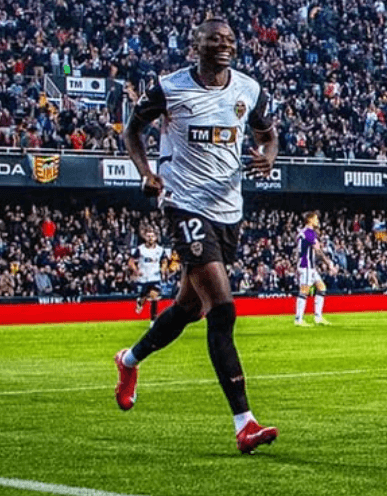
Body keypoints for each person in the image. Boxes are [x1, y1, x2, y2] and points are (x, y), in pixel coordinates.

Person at [115, 17, 279, 454]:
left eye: (228, 39)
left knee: (188, 307)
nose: (222, 44)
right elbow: (132, 130)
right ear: (196, 45)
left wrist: (267, 155)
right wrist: (146, 172)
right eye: (214, 39)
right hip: (183, 204)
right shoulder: (170, 88)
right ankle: (244, 422)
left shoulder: (247, 89)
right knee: (221, 309)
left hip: (229, 211)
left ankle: (128, 360)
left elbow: (268, 134)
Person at [294, 211, 335, 326]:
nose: (317, 221)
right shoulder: (309, 232)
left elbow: (298, 251)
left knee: (321, 288)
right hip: (306, 266)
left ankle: (318, 317)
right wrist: (329, 263)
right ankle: (298, 319)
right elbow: (317, 250)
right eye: (316, 219)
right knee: (304, 291)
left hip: (307, 266)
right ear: (310, 220)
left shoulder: (301, 233)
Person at [129, 227, 169, 324]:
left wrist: (163, 269)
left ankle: (153, 320)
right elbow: (131, 261)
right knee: (144, 297)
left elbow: (164, 260)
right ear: (145, 238)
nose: (150, 238)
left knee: (154, 296)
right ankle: (140, 301)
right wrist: (136, 271)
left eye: (152, 236)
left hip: (155, 277)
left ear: (155, 238)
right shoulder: (140, 249)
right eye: (148, 236)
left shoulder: (160, 250)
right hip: (143, 277)